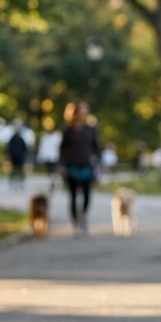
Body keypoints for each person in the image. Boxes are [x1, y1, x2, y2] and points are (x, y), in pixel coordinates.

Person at [58, 102, 100, 237]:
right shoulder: (68, 131)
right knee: (73, 195)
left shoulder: (91, 130)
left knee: (87, 195)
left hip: (87, 165)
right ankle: (75, 223)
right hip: (72, 166)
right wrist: (60, 165)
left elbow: (96, 147)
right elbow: (62, 149)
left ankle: (83, 218)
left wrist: (100, 163)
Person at [6, 118, 29, 190]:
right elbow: (9, 148)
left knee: (20, 170)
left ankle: (21, 183)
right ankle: (12, 183)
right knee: (13, 170)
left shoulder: (22, 138)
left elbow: (24, 148)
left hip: (20, 156)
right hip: (14, 156)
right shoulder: (12, 138)